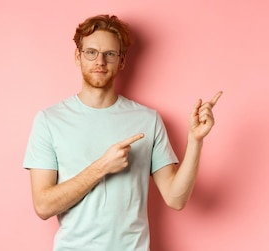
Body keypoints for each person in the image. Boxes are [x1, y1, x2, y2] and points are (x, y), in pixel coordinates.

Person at [22, 14, 222, 251]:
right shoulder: (49, 120)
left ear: (121, 61)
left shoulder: (148, 120)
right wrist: (102, 167)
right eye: (91, 52)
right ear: (78, 56)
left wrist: (195, 140)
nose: (100, 61)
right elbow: (43, 206)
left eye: (110, 54)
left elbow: (175, 199)